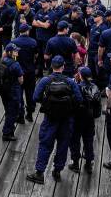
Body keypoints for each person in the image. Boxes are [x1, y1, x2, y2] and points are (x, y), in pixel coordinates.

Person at [27, 55, 82, 183]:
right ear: (63, 67)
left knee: (45, 144)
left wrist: (47, 103)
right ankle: (57, 171)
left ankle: (40, 173)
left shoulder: (45, 81)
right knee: (63, 144)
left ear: (51, 66)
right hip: (67, 119)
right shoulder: (70, 81)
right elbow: (79, 99)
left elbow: (35, 97)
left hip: (50, 117)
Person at [69, 66, 100, 174]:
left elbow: (73, 103)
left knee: (75, 141)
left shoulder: (77, 87)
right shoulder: (95, 87)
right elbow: (98, 106)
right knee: (89, 141)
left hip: (78, 119)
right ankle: (88, 164)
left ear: (80, 76)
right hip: (90, 119)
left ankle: (75, 163)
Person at [0, 43, 25, 141]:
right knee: (13, 112)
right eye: (15, 51)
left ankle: (9, 126)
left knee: (8, 110)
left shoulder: (3, 60)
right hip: (13, 90)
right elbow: (21, 80)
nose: (17, 52)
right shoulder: (15, 64)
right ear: (10, 52)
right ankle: (7, 133)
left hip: (3, 90)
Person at [12, 23, 38, 123]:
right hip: (30, 71)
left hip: (18, 72)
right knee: (30, 93)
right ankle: (30, 114)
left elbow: (13, 57)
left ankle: (20, 115)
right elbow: (36, 55)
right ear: (27, 31)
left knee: (18, 93)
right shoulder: (33, 42)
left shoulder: (14, 42)